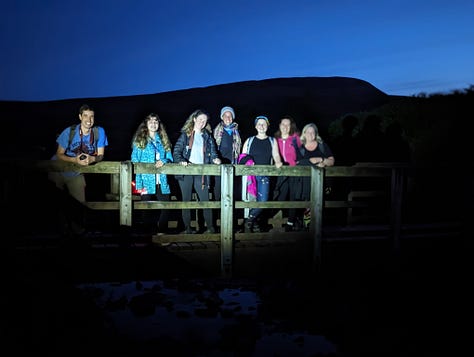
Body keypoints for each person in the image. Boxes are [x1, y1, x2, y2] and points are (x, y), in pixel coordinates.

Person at [49, 104, 108, 236]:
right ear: (80, 117)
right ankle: (59, 231)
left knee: (79, 202)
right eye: (86, 116)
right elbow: (59, 154)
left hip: (76, 172)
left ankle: (78, 233)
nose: (89, 119)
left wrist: (92, 159)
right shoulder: (69, 131)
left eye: (92, 116)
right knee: (56, 200)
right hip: (58, 168)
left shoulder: (99, 132)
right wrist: (75, 160)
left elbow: (100, 155)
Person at [173, 109, 221, 234]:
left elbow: (213, 152)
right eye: (200, 119)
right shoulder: (185, 134)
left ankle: (210, 228)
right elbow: (176, 151)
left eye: (204, 121)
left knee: (205, 201)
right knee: (186, 201)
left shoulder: (207, 136)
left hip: (202, 172)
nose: (202, 122)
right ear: (194, 119)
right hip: (186, 171)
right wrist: (181, 160)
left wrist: (216, 159)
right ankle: (188, 229)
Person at [131, 113, 173, 235]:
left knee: (167, 205)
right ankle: (147, 235)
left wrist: (164, 161)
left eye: (156, 121)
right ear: (146, 124)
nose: (153, 124)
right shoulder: (140, 140)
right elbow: (134, 159)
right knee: (146, 209)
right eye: (150, 121)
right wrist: (140, 175)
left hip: (161, 179)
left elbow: (170, 158)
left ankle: (161, 231)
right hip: (146, 179)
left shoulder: (163, 140)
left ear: (159, 124)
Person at [241, 115, 283, 233]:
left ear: (267, 126)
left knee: (263, 201)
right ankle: (254, 224)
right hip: (250, 176)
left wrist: (278, 162)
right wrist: (248, 162)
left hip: (265, 175)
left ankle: (249, 220)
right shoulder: (249, 141)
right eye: (259, 124)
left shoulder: (272, 140)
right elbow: (242, 157)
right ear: (255, 126)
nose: (261, 126)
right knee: (252, 201)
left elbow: (276, 155)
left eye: (264, 123)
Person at [295, 122, 335, 228]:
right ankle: (307, 226)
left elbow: (331, 161)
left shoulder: (322, 145)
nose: (310, 134)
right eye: (308, 132)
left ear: (316, 134)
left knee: (320, 206)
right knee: (308, 205)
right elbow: (297, 163)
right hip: (305, 184)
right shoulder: (300, 147)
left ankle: (319, 226)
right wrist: (311, 161)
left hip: (322, 182)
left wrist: (320, 159)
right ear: (304, 133)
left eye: (313, 132)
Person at [212, 106, 242, 229]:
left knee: (231, 196)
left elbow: (239, 152)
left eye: (230, 116)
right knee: (218, 196)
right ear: (221, 117)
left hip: (232, 169)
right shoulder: (216, 131)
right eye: (226, 115)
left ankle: (231, 225)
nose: (228, 118)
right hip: (219, 169)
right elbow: (212, 148)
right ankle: (216, 224)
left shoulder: (237, 132)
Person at [272, 115, 302, 231]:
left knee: (293, 197)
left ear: (291, 126)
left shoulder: (296, 138)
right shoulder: (275, 139)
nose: (285, 126)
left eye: (287, 124)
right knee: (281, 196)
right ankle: (274, 219)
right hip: (281, 172)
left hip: (294, 172)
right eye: (283, 124)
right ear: (279, 126)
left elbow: (304, 151)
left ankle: (290, 222)